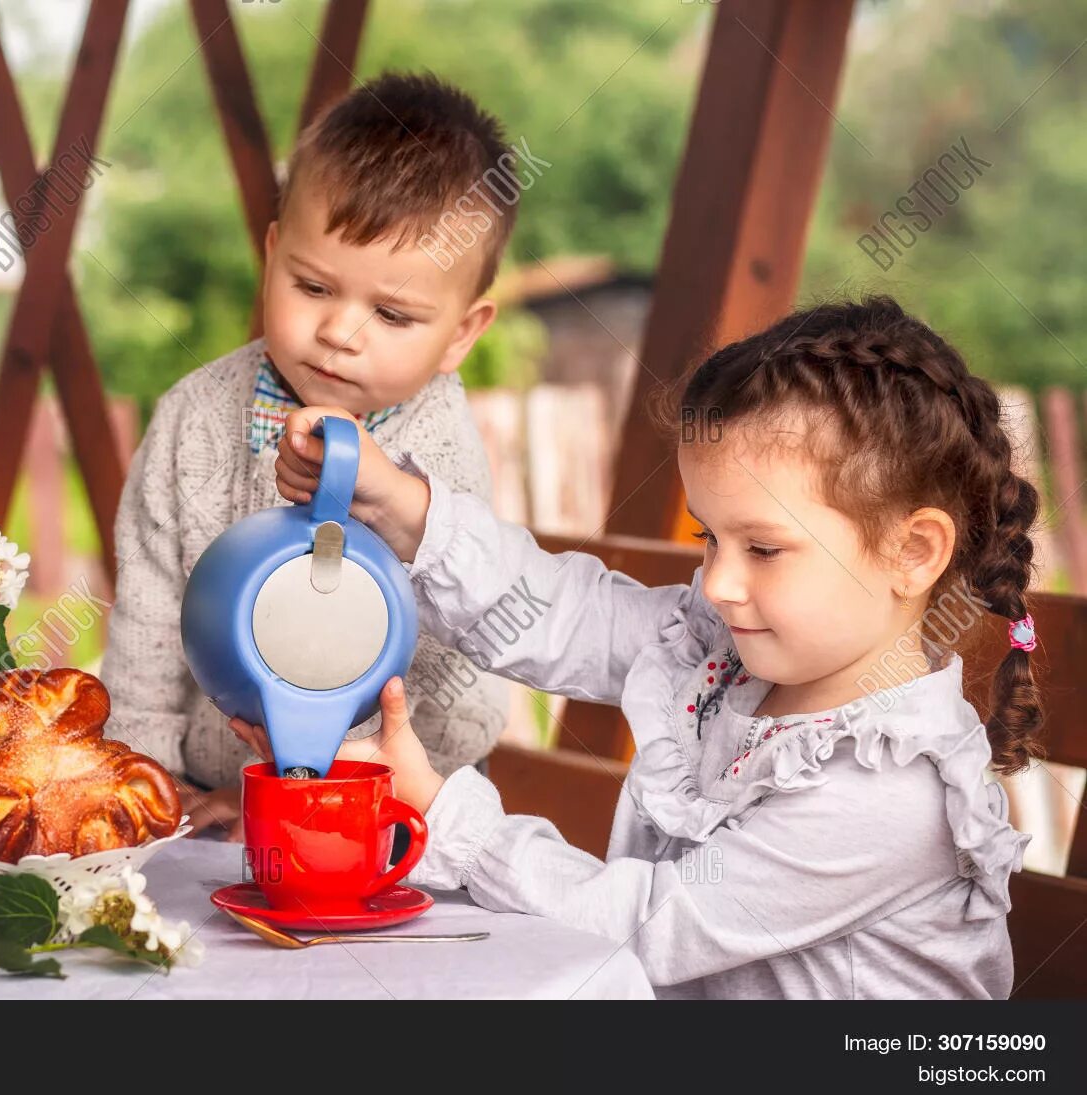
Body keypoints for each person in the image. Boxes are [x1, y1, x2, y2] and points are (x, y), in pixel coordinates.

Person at [237, 295, 1040, 998]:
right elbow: (563, 612)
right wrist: (404, 505)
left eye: (762, 549)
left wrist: (444, 811)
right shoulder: (727, 656)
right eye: (708, 537)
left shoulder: (886, 793)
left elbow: (642, 924)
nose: (719, 581)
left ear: (913, 552)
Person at [100, 72, 523, 841]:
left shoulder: (437, 455)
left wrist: (321, 786)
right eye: (313, 286)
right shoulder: (194, 418)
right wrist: (147, 784)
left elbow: (439, 650)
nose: (341, 332)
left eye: (392, 313)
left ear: (462, 333)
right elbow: (149, 622)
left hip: (403, 787)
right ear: (271, 256)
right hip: (206, 790)